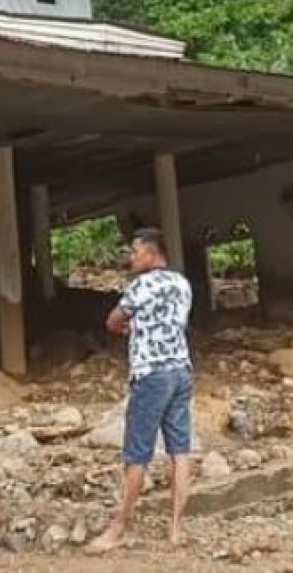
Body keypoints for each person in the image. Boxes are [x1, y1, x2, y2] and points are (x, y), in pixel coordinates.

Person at [88, 227, 194, 554]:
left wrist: (127, 328)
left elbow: (112, 320)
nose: (131, 258)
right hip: (181, 370)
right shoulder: (182, 284)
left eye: (135, 252)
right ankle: (176, 529)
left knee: (136, 454)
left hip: (151, 375)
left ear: (151, 252)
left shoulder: (141, 285)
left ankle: (120, 526)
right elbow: (175, 323)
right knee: (180, 451)